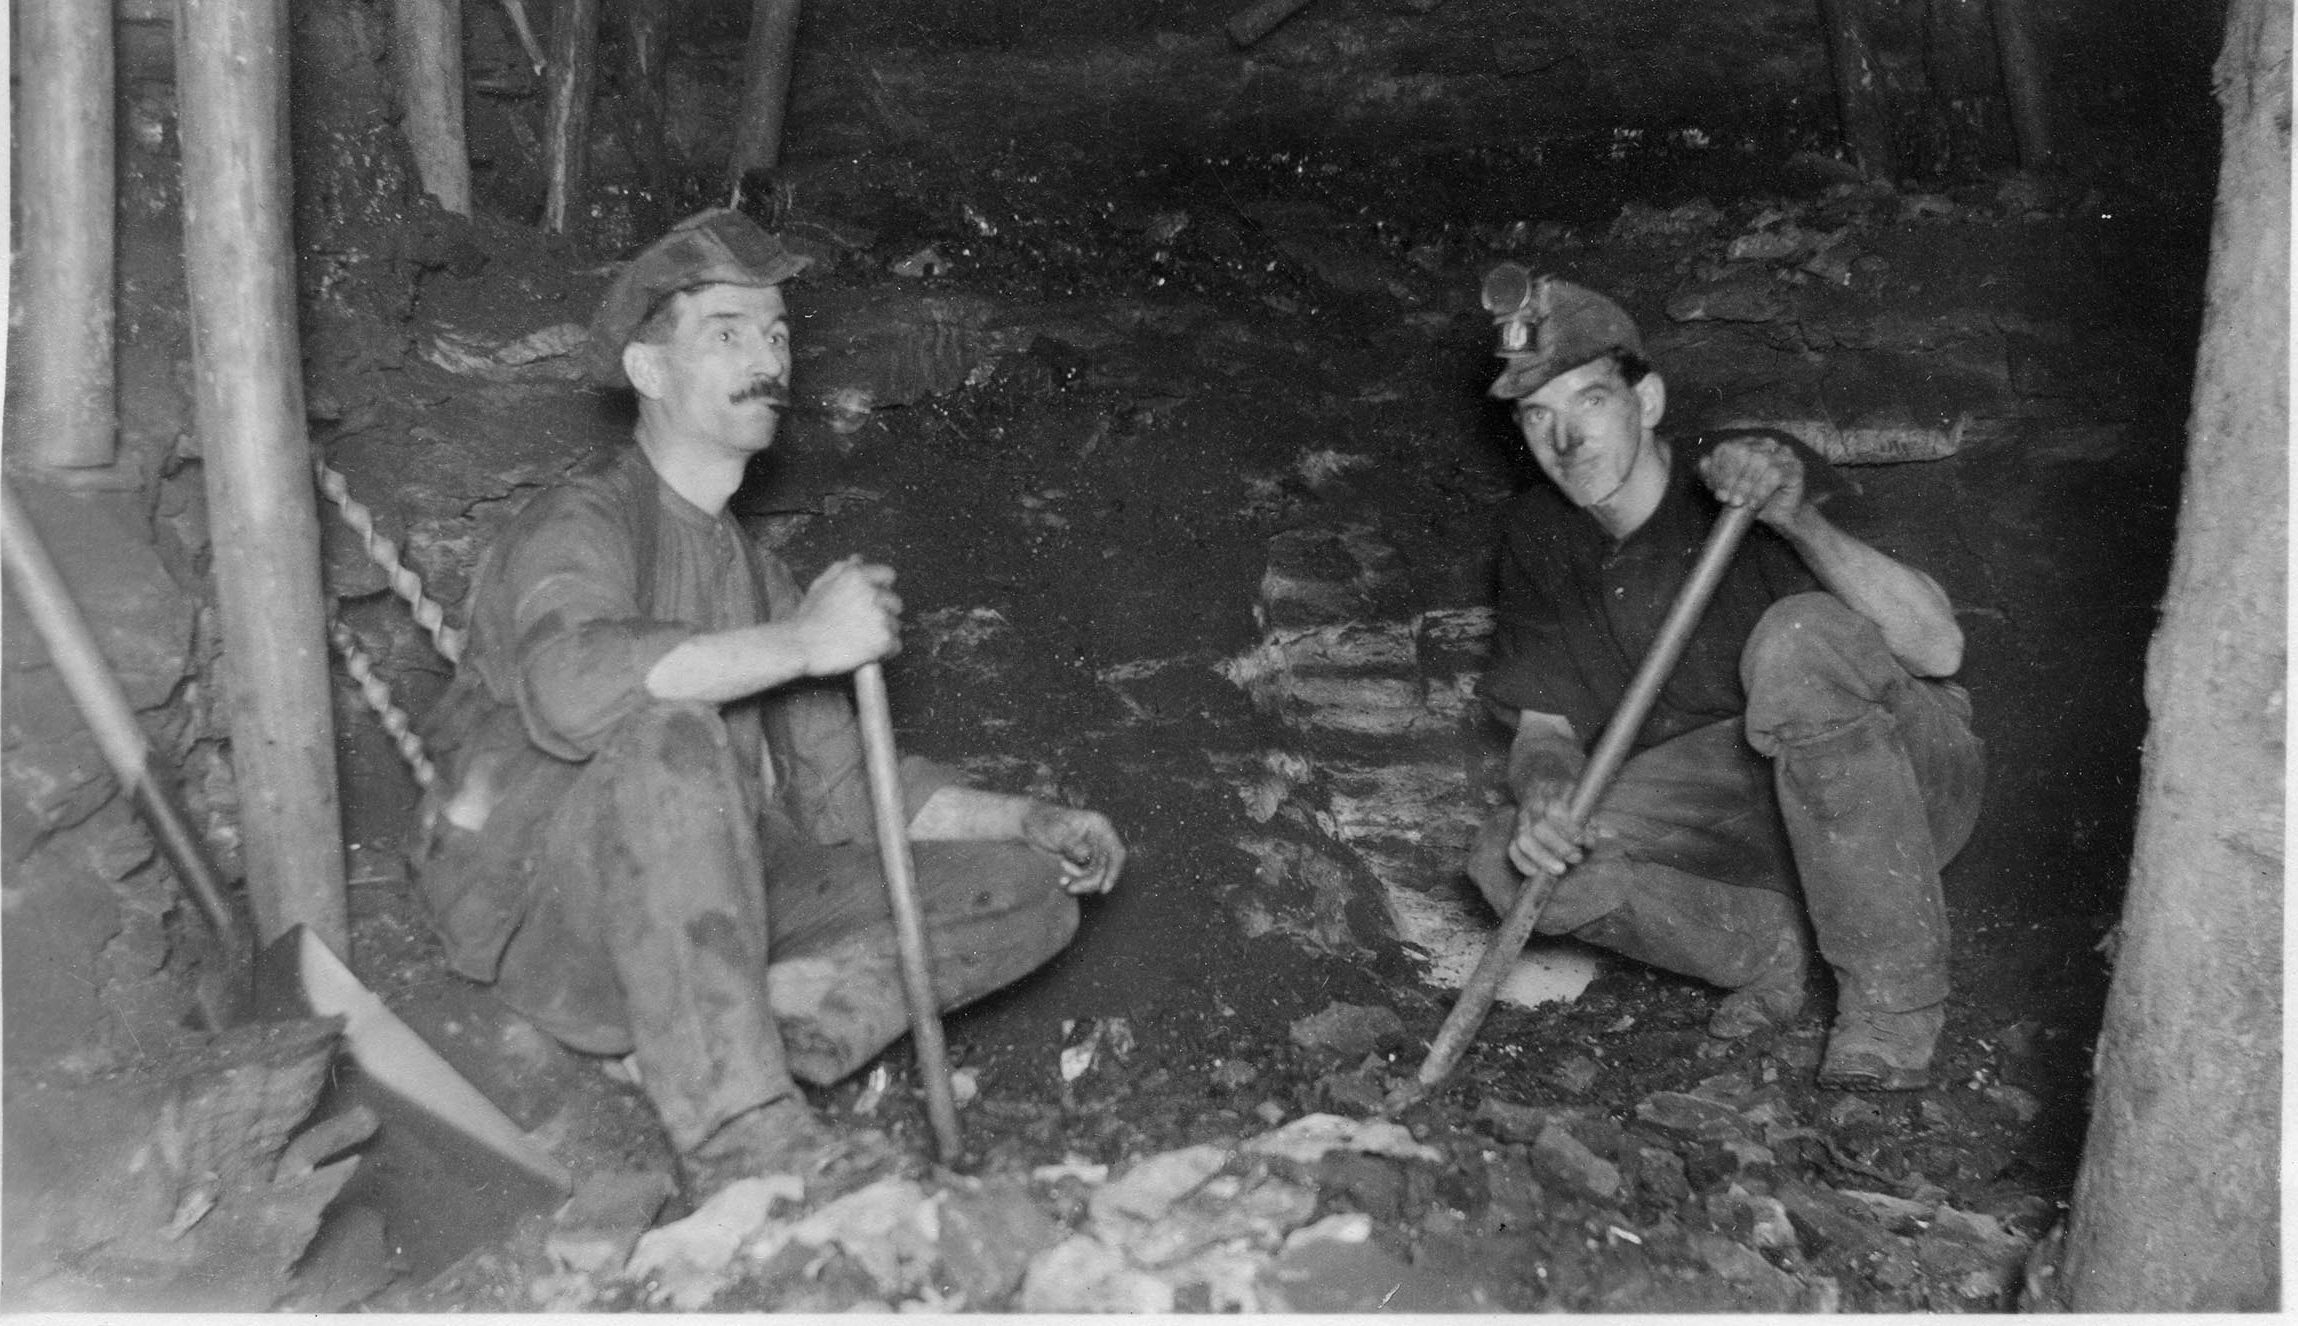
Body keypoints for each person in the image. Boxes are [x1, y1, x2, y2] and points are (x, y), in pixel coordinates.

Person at [412, 209, 1126, 1196]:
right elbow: (571, 694)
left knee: (1029, 888)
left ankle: (750, 1033)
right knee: (670, 735)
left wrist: (1031, 818)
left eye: (780, 333)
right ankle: (745, 1141)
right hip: (560, 910)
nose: (770, 359)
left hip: (725, 907)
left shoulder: (754, 575)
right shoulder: (580, 524)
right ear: (650, 372)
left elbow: (847, 797)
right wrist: (802, 645)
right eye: (729, 335)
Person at [1462, 267, 1984, 1090]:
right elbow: (1543, 730)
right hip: (1736, 803)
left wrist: (1795, 516)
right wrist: (1547, 798)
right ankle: (1768, 947)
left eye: (1590, 402)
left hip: (1905, 783)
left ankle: (1891, 1012)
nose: (1565, 443)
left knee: (1800, 636)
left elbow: (1938, 647)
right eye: (1538, 417)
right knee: (1512, 857)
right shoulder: (1540, 534)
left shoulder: (1747, 472)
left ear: (1650, 401)